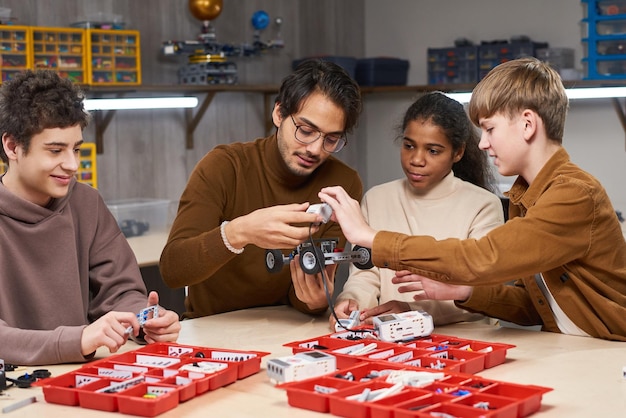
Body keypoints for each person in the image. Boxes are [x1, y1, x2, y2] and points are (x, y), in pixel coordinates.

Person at [319, 57, 626, 341]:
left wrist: (371, 237)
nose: (483, 143)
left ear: (528, 125)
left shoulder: (573, 194)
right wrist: (464, 292)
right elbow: (534, 306)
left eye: (490, 129)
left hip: (608, 351)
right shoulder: (524, 197)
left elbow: (482, 256)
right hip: (572, 350)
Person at [0, 69, 181, 366]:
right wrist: (78, 340)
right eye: (55, 150)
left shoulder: (86, 202)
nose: (72, 165)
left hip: (79, 374)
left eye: (76, 149)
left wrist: (143, 318)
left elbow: (121, 291)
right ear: (12, 147)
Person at [160, 59, 363, 318]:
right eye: (306, 130)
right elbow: (173, 270)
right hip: (210, 330)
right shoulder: (224, 166)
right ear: (279, 113)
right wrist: (238, 232)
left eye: (331, 139)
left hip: (284, 334)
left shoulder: (342, 184)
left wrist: (316, 300)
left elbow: (306, 295)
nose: (314, 149)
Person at [331, 92, 504, 330]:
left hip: (467, 340)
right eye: (409, 145)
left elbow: (485, 291)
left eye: (433, 151)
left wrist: (413, 311)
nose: (416, 159)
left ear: (458, 152)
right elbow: (365, 275)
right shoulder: (376, 199)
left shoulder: (483, 205)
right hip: (392, 336)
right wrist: (353, 301)